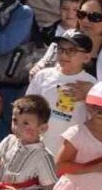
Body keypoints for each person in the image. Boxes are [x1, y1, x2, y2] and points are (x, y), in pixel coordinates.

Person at [26, 29, 94, 158]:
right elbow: (26, 108)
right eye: (61, 49)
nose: (64, 55)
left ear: (86, 57)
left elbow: (93, 119)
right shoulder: (43, 76)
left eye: (71, 51)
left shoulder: (91, 83)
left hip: (68, 152)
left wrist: (90, 94)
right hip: (37, 146)